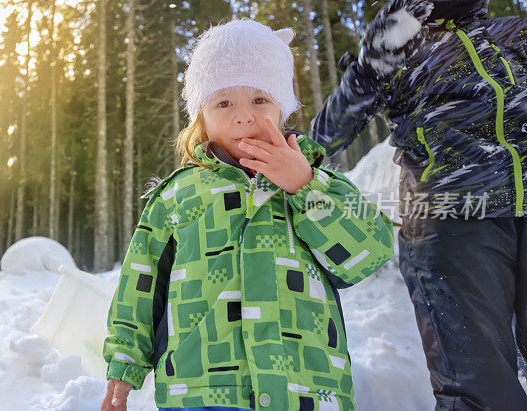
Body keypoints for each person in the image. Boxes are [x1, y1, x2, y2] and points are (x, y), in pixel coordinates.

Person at [100, 19, 395, 411]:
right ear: (200, 115)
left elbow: (371, 250)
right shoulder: (175, 196)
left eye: (259, 99)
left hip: (305, 389)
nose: (243, 116)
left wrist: (305, 186)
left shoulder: (318, 182)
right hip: (202, 390)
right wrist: (123, 366)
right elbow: (139, 287)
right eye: (224, 103)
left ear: (282, 106)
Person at [310, 0, 527, 409]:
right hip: (453, 221)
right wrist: (368, 71)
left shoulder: (514, 33)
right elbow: (322, 138)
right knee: (483, 389)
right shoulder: (400, 41)